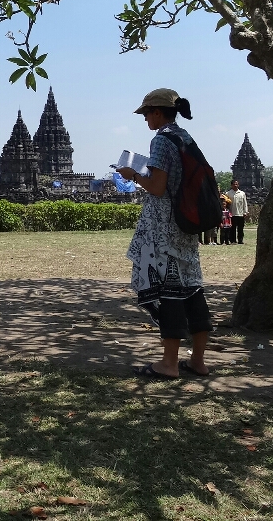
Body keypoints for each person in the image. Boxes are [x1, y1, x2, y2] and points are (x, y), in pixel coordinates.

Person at [117, 88, 212, 380]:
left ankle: (169, 364)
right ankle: (198, 361)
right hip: (185, 225)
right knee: (192, 288)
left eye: (147, 114)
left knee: (169, 291)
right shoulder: (184, 137)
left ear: (158, 112)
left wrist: (133, 175)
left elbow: (158, 188)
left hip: (164, 228)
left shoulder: (161, 139)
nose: (146, 119)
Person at [228, 180, 248, 244]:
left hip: (240, 213)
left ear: (238, 185)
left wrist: (245, 212)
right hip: (232, 213)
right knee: (232, 228)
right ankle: (233, 240)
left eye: (236, 184)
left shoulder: (242, 193)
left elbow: (245, 203)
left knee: (240, 228)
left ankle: (240, 240)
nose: (235, 185)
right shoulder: (228, 193)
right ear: (231, 185)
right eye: (234, 184)